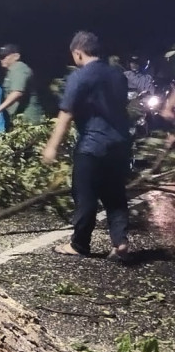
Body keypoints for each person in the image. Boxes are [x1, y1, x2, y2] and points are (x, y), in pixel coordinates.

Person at [42, 31, 132, 263]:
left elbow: (66, 113)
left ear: (78, 53)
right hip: (120, 144)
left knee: (85, 195)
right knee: (115, 195)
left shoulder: (80, 77)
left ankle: (79, 244)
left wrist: (52, 146)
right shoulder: (118, 75)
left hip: (93, 145)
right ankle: (120, 242)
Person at [0, 43, 44, 126]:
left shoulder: (19, 68)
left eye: (4, 56)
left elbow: (17, 93)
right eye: (0, 57)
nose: (1, 59)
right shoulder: (11, 71)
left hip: (29, 119)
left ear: (16, 56)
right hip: (20, 118)